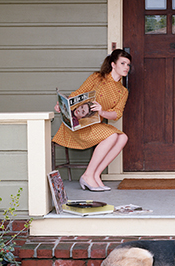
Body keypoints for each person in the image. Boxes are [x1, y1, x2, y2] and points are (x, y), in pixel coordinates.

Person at [53, 49, 132, 192]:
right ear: (113, 64)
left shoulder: (123, 91)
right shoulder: (97, 78)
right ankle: (88, 175)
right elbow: (78, 93)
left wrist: (101, 112)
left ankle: (95, 175)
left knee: (123, 138)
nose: (126, 67)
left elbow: (117, 114)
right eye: (123, 63)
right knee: (113, 135)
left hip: (94, 126)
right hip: (78, 126)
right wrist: (63, 105)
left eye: (128, 65)